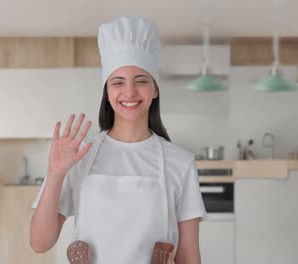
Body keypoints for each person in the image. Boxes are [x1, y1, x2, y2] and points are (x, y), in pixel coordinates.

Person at [30, 16, 207, 263]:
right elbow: (40, 242)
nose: (130, 92)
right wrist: (55, 173)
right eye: (118, 82)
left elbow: (188, 256)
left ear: (155, 89)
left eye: (141, 80)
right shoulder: (81, 154)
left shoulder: (180, 162)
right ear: (108, 91)